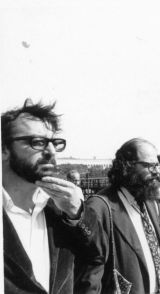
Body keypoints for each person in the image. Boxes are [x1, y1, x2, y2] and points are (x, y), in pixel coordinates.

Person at [2, 99, 85, 293]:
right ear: (4, 149)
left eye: (54, 143)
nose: (51, 152)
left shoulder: (60, 209)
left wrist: (77, 214)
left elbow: (95, 258)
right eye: (37, 142)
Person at [75, 138, 160, 293]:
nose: (156, 171)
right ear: (126, 166)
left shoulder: (148, 200)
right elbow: (90, 278)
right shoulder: (100, 207)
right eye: (149, 166)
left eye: (157, 165)